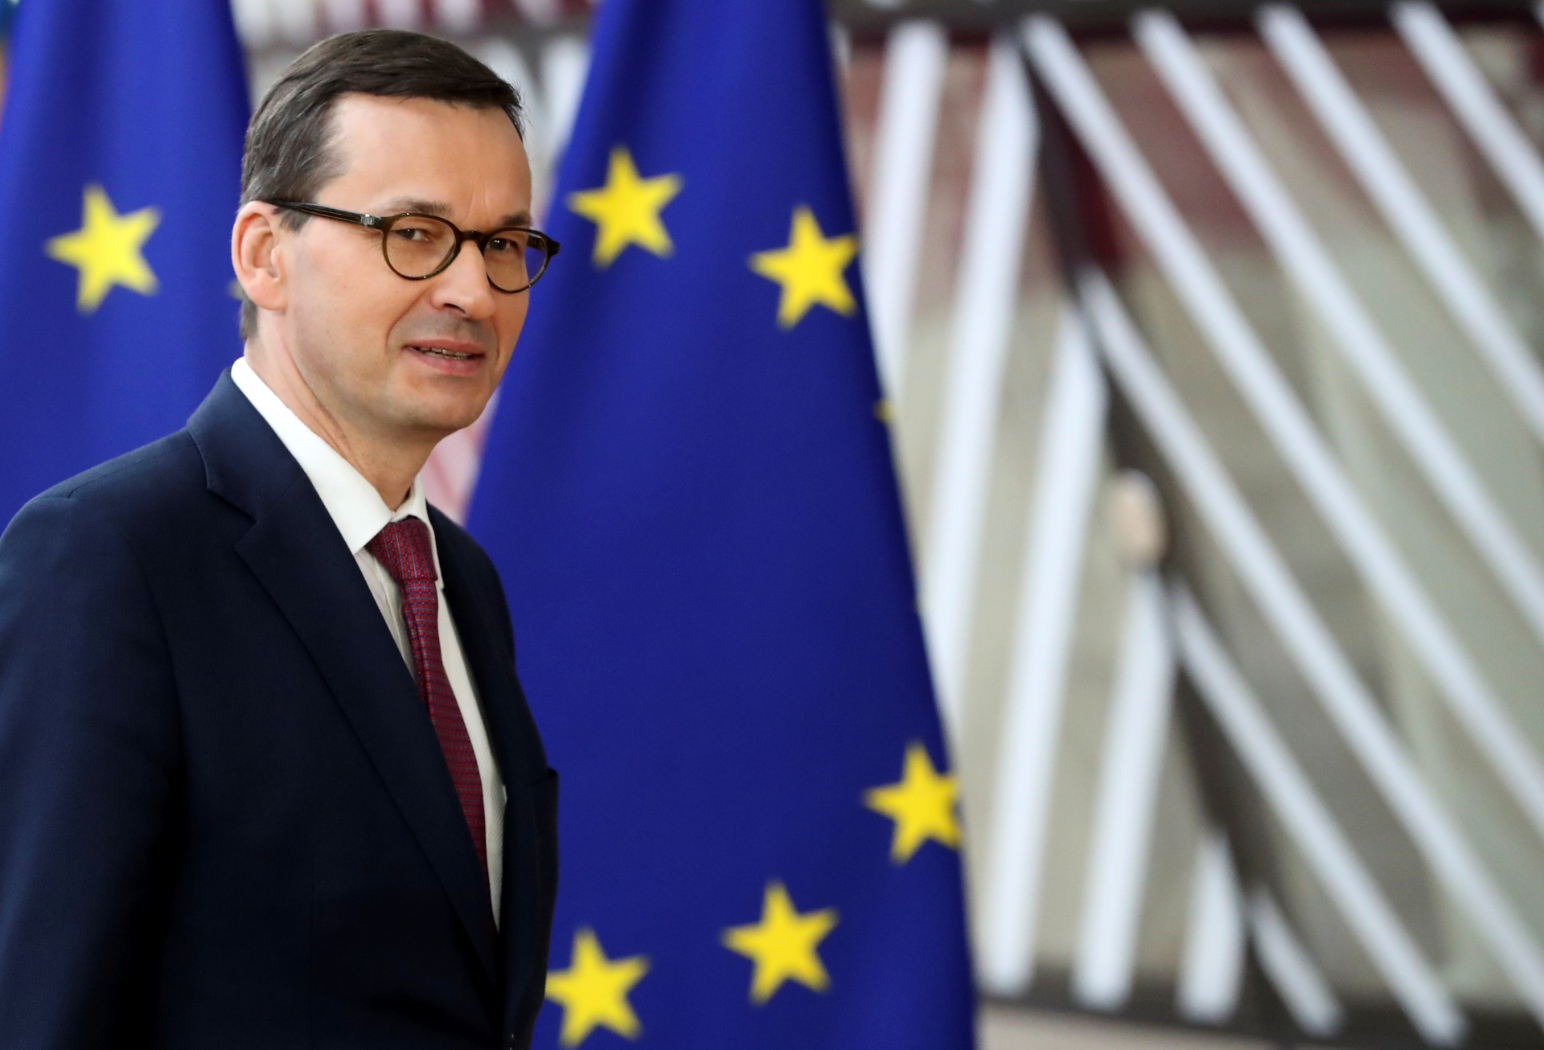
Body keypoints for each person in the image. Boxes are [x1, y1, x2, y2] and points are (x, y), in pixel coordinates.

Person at [0, 30, 558, 1049]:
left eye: (503, 244)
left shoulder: (459, 580)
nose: (473, 292)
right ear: (264, 254)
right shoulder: (109, 558)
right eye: (414, 233)